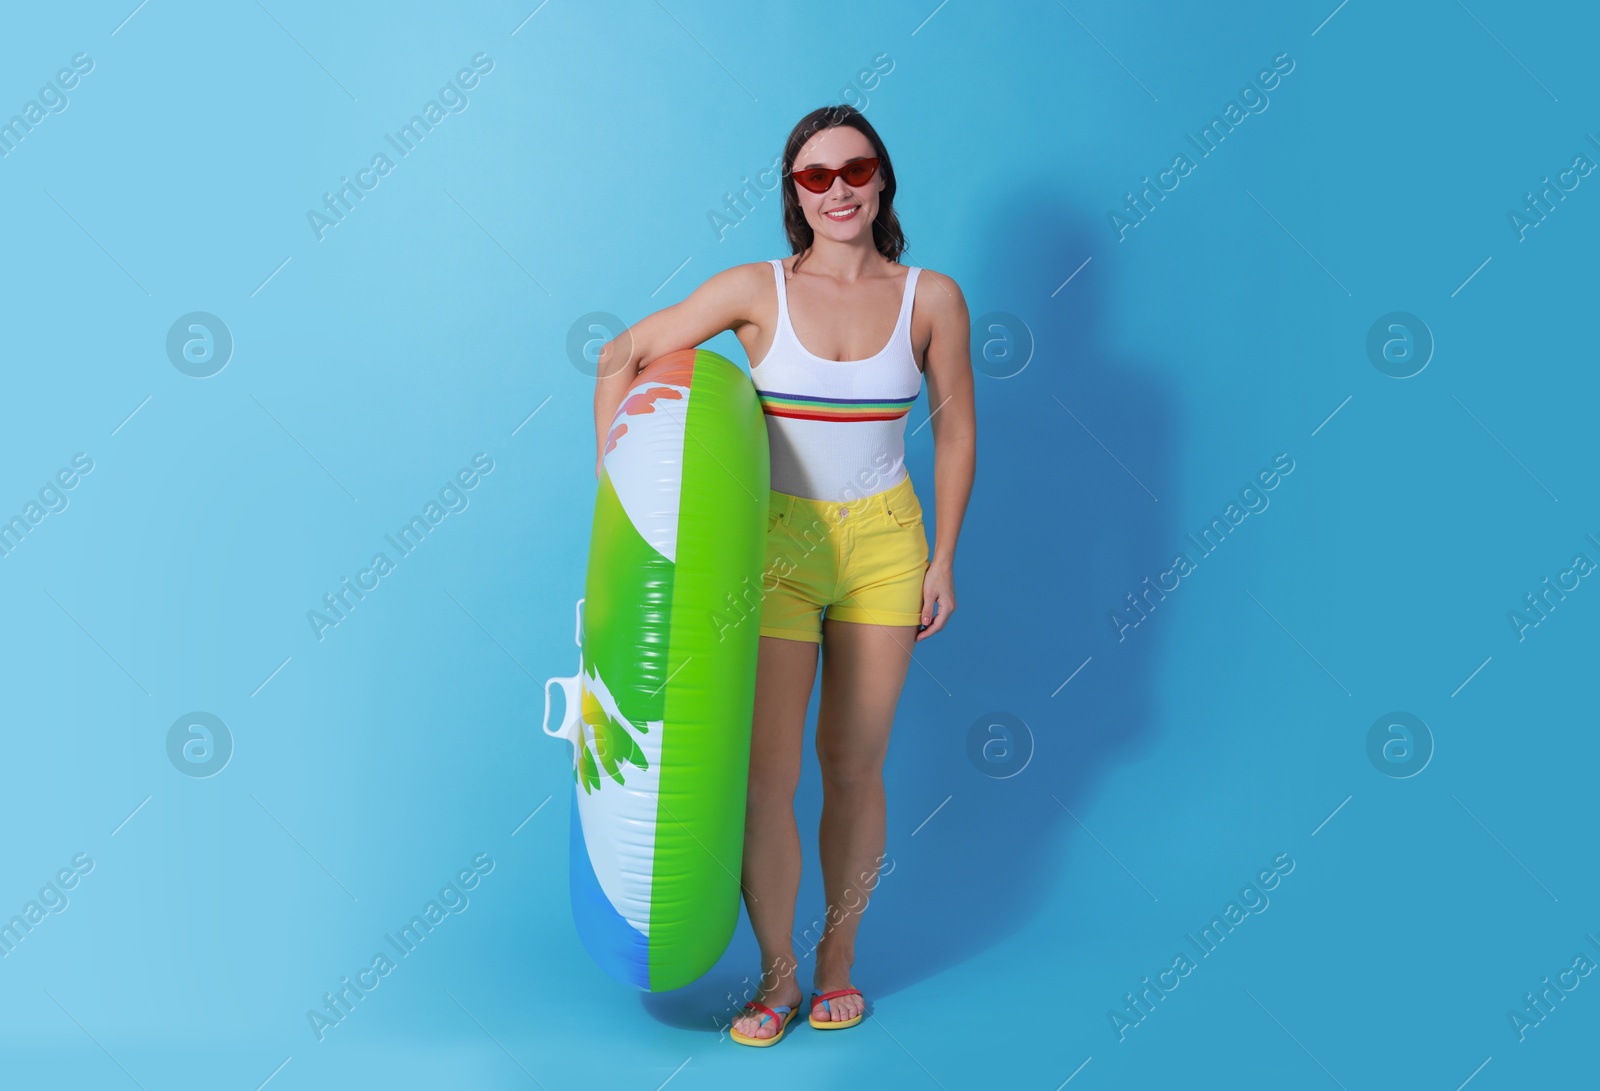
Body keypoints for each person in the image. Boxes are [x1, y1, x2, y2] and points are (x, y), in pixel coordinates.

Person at [592, 104, 975, 1044]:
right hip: (774, 553)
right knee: (767, 780)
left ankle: (839, 964)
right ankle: (776, 978)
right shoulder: (756, 290)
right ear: (792, 193)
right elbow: (623, 354)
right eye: (815, 177)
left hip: (888, 543)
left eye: (856, 170)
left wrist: (945, 559)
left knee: (852, 767)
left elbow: (958, 427)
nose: (837, 189)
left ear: (882, 179)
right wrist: (623, 510)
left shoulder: (932, 297)